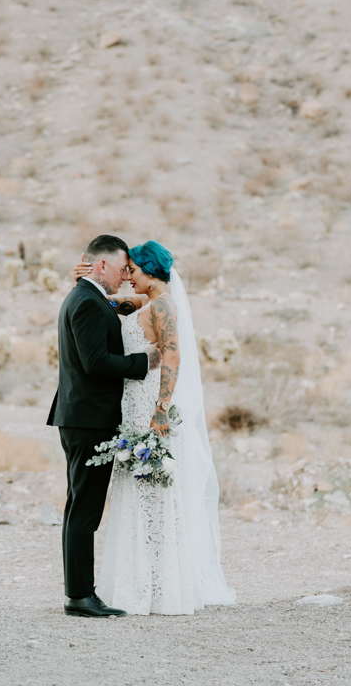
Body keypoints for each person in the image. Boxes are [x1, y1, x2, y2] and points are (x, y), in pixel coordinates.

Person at [75, 241, 236, 615]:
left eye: (133, 270)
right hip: (132, 406)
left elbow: (172, 355)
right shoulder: (145, 302)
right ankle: (140, 580)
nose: (128, 276)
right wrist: (85, 277)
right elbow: (107, 302)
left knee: (154, 493)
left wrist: (161, 407)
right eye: (125, 270)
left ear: (150, 272)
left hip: (149, 406)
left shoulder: (163, 306)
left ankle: (158, 586)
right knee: (136, 492)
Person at [47, 235, 162, 618]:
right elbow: (96, 362)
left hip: (82, 418)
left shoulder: (86, 298)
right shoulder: (87, 304)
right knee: (84, 512)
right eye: (119, 268)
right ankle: (79, 597)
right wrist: (142, 362)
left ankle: (79, 593)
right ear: (102, 266)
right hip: (89, 421)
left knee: (80, 508)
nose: (124, 276)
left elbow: (140, 301)